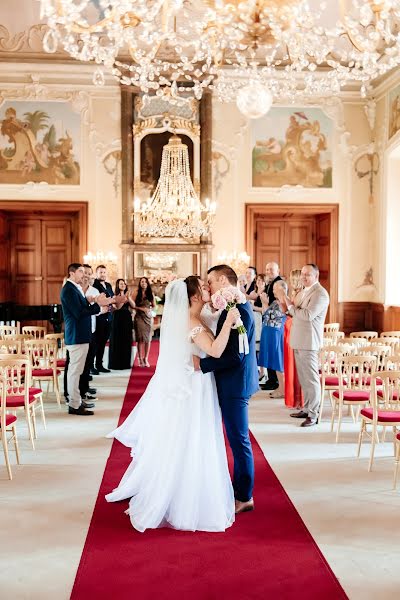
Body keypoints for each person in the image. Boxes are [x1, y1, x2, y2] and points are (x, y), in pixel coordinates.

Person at [106, 277, 239, 532]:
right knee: (191, 438)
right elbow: (214, 350)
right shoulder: (190, 321)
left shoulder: (195, 316)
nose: (207, 288)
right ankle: (182, 497)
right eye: (203, 287)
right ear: (194, 296)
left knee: (194, 437)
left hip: (199, 384)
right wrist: (230, 322)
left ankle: (190, 487)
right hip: (193, 388)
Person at [197, 265, 259, 515]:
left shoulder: (236, 309)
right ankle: (241, 492)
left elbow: (234, 354)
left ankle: (244, 496)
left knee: (239, 439)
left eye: (210, 281)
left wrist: (202, 364)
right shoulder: (234, 306)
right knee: (237, 437)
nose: (209, 287)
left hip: (235, 383)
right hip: (235, 380)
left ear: (222, 280)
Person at [277, 264, 329, 427]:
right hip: (299, 339)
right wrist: (286, 305)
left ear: (316, 276)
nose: (304, 277)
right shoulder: (303, 291)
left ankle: (314, 415)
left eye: (308, 275)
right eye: (303, 274)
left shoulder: (320, 293)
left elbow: (307, 315)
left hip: (309, 340)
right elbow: (293, 311)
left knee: (312, 379)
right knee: (304, 378)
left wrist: (289, 303)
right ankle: (307, 408)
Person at [60, 263, 113, 416]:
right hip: (76, 336)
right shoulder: (69, 290)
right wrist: (98, 305)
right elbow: (79, 312)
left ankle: (76, 400)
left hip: (81, 335)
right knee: (74, 372)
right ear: (71, 273)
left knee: (77, 371)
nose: (83, 274)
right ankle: (74, 404)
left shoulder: (74, 288)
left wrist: (91, 300)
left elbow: (81, 306)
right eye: (80, 271)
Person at [258, 280, 288, 399]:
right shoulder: (275, 301)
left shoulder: (284, 301)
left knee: (278, 361)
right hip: (269, 332)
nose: (273, 290)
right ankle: (280, 387)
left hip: (276, 333)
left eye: (275, 288)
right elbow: (266, 314)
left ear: (282, 288)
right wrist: (264, 303)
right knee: (273, 362)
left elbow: (280, 315)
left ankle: (283, 389)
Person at [283, 269, 304, 409]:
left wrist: (283, 296)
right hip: (289, 327)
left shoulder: (301, 294)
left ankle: (299, 399)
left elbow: (293, 310)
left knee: (295, 365)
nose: (290, 281)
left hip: (294, 327)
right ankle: (294, 399)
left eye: (292, 278)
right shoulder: (296, 293)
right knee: (290, 364)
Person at [261, 262, 283, 391]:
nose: (268, 271)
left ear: (278, 270)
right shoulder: (270, 283)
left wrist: (264, 303)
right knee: (270, 354)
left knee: (275, 355)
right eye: (267, 269)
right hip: (270, 324)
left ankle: (275, 381)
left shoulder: (279, 283)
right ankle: (271, 379)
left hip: (275, 326)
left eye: (271, 270)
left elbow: (270, 312)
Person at [108, 279, 136, 370]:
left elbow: (133, 306)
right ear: (117, 285)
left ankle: (125, 363)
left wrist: (129, 298)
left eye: (124, 284)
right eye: (121, 284)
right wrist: (124, 299)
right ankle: (116, 363)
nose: (123, 285)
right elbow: (118, 307)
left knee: (126, 339)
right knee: (117, 339)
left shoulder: (127, 295)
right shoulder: (115, 296)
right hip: (117, 319)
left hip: (126, 319)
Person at [92, 265, 114, 374]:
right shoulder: (94, 285)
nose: (103, 274)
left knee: (103, 342)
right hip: (99, 317)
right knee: (96, 342)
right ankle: (91, 366)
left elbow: (112, 298)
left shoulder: (109, 285)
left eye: (104, 272)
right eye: (101, 272)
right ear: (97, 274)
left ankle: (99, 364)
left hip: (108, 318)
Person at [133, 277, 155, 367]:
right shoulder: (136, 293)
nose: (144, 283)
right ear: (140, 283)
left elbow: (153, 305)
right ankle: (140, 358)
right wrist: (142, 309)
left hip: (148, 318)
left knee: (147, 339)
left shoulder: (150, 293)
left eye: (145, 282)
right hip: (139, 317)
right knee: (140, 339)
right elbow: (132, 306)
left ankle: (146, 358)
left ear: (147, 283)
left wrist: (150, 310)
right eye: (142, 282)